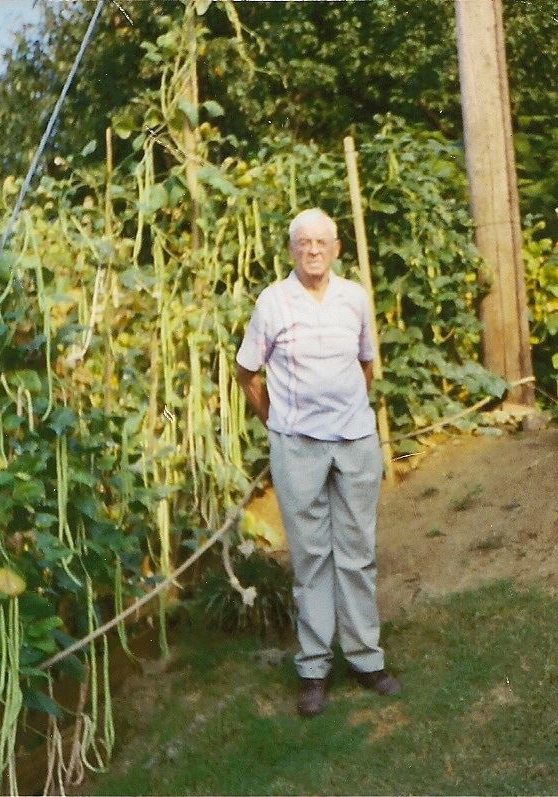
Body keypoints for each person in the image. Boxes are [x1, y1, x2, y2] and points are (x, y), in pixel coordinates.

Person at [235, 207, 400, 718]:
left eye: (321, 242)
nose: (312, 251)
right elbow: (247, 373)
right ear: (291, 250)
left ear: (336, 249)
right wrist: (278, 422)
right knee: (310, 558)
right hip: (296, 443)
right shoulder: (272, 303)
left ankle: (366, 659)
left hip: (353, 440)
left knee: (357, 550)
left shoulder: (355, 298)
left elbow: (367, 366)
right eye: (303, 243)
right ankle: (313, 669)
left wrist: (345, 409)